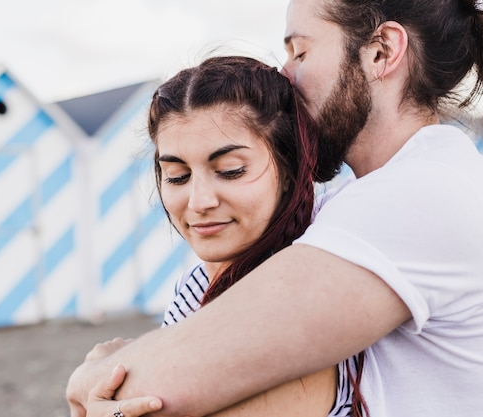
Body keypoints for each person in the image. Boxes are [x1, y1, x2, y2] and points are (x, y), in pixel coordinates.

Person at [67, 0, 483, 416]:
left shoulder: (423, 194)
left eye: (300, 53)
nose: (285, 75)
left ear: (381, 52)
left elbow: (170, 381)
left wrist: (91, 374)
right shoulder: (372, 195)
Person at [82, 55, 364, 417]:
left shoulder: (300, 306)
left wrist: (98, 381)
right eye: (177, 176)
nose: (199, 202)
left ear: (291, 172)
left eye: (230, 171)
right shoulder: (194, 284)